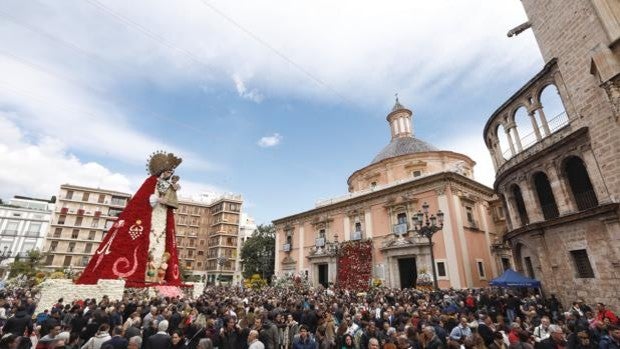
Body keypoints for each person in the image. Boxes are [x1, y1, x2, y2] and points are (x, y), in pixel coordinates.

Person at [77, 152, 183, 287]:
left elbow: (171, 200)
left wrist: (172, 191)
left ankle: (158, 278)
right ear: (162, 171)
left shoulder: (168, 185)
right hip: (150, 217)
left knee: (160, 247)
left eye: (171, 172)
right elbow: (145, 199)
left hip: (162, 218)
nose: (169, 174)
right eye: (168, 171)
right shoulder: (151, 182)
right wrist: (158, 199)